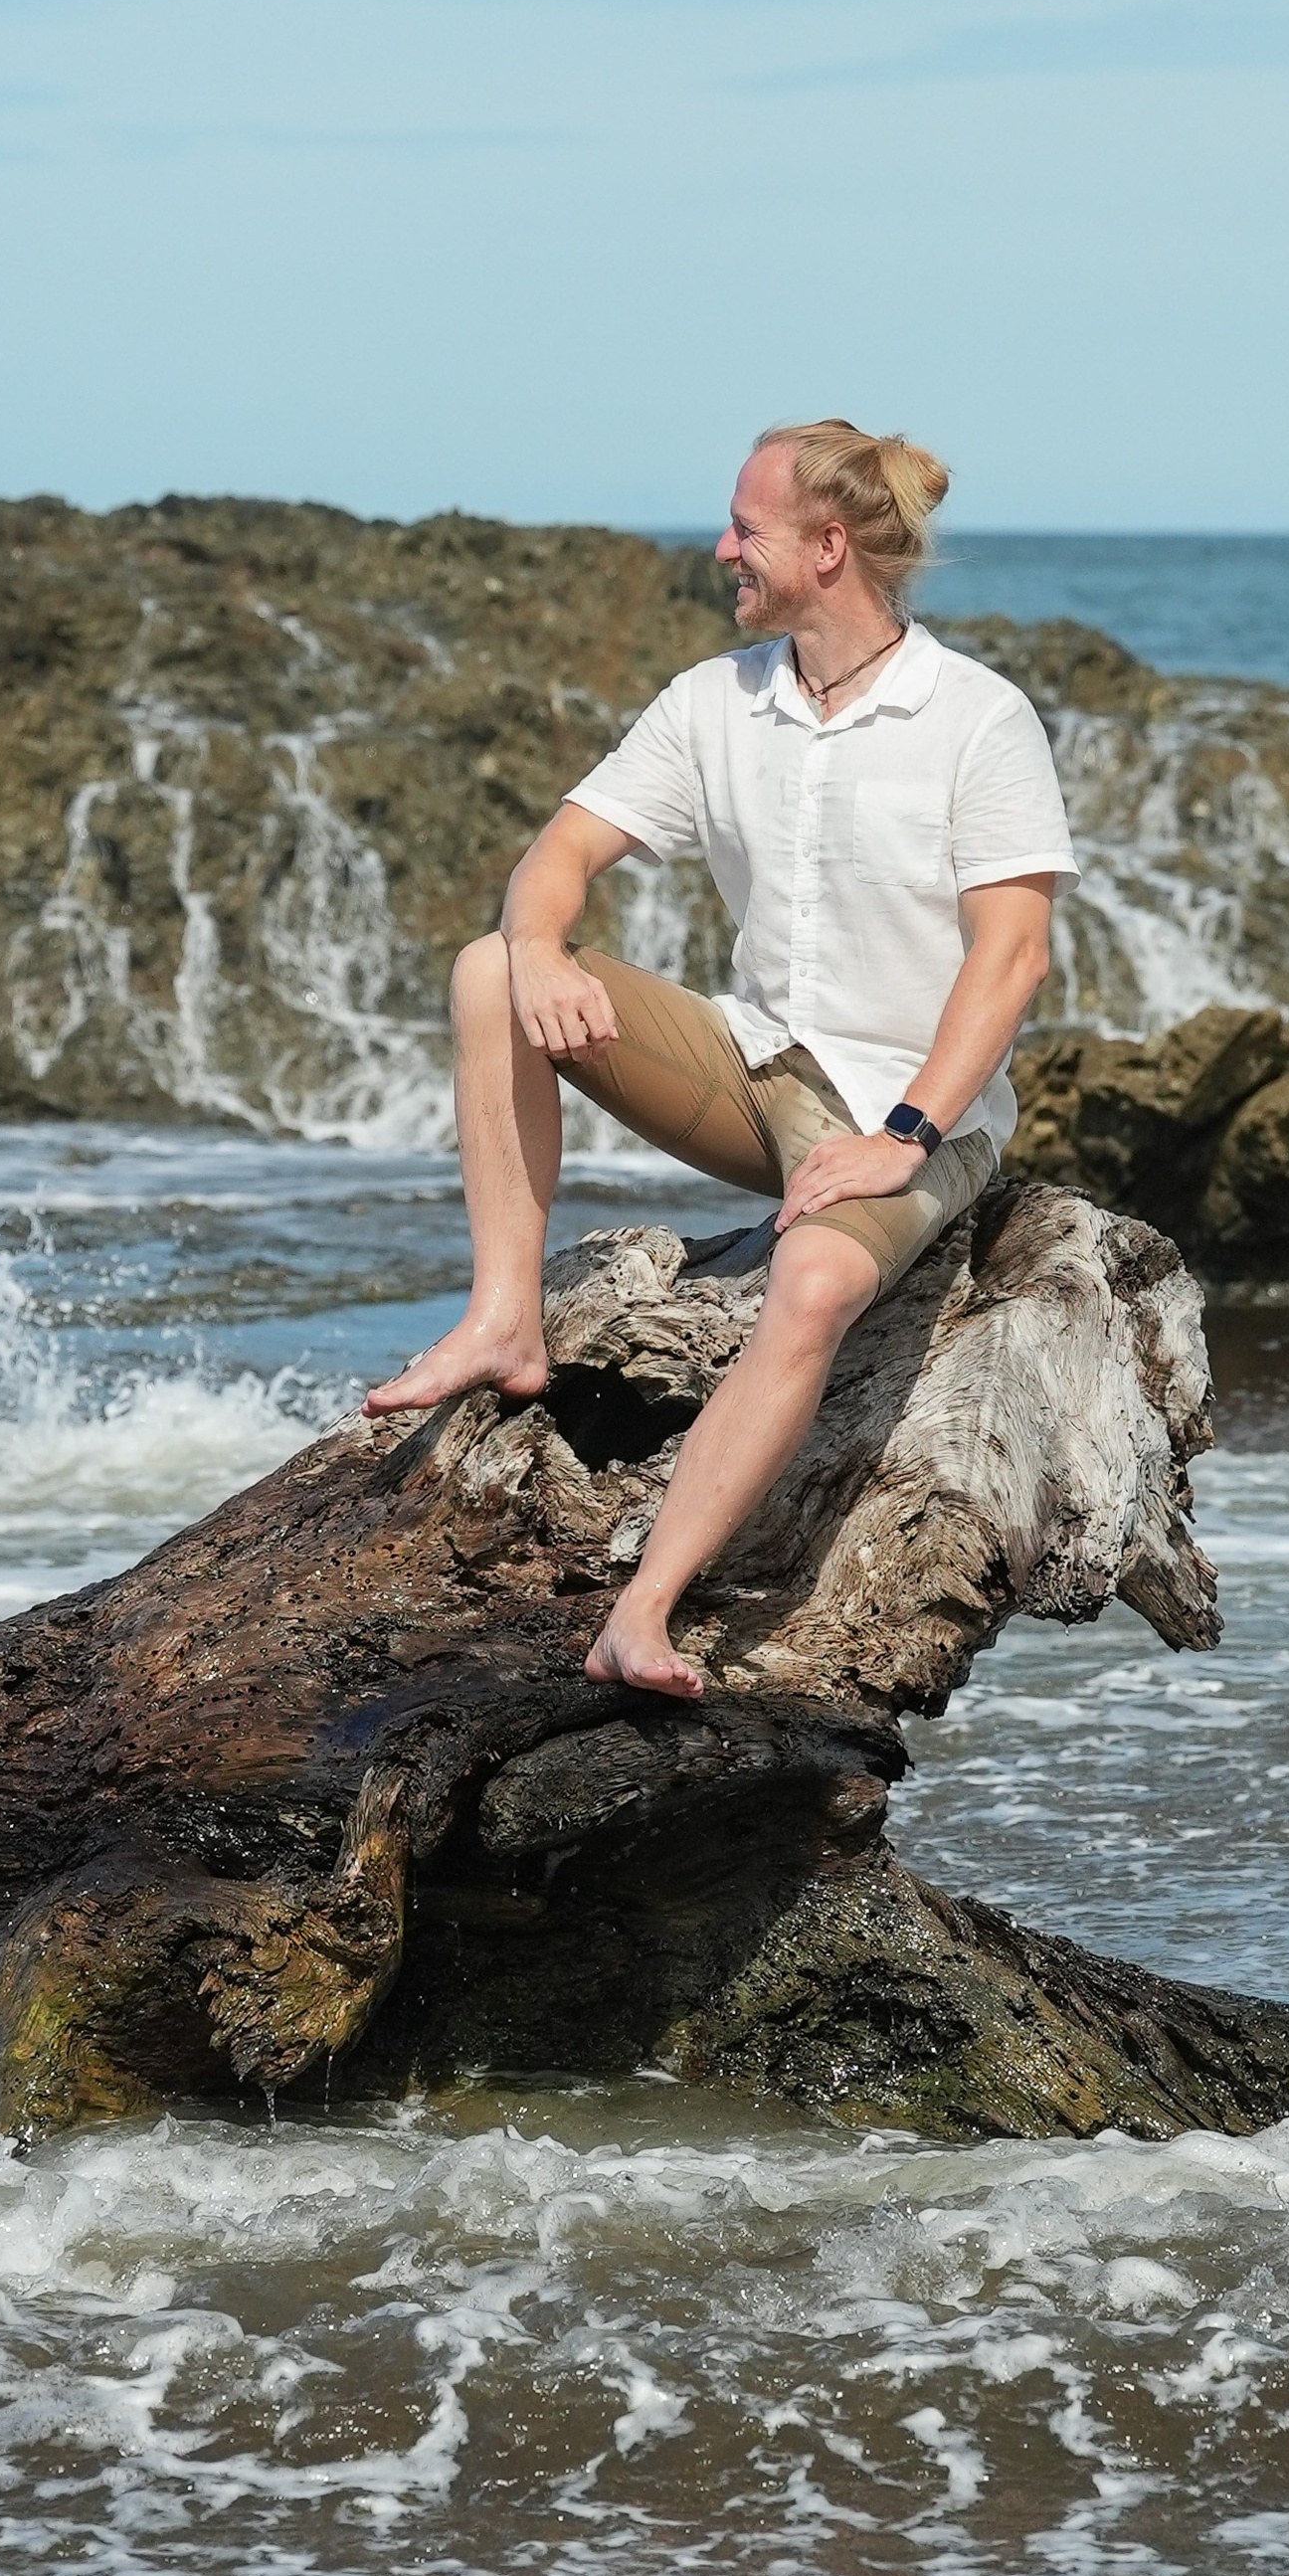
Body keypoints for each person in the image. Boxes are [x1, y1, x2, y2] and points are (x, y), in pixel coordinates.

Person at [367, 418, 1076, 1698]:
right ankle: (502, 1318)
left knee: (807, 1290)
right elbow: (561, 855)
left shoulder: (976, 717)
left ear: (826, 546)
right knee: (487, 969)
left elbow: (1011, 958)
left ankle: (642, 1612)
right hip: (750, 1066)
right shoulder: (716, 699)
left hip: (911, 1112)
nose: (719, 549)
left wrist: (901, 1136)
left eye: (742, 529)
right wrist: (539, 942)